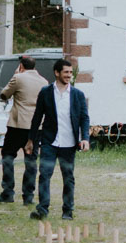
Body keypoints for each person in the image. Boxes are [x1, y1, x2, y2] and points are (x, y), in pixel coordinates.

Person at [26, 58, 90, 222]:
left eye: (70, 72)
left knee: (68, 177)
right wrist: (31, 140)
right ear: (57, 73)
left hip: (69, 144)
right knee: (45, 175)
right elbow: (37, 117)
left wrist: (85, 139)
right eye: (66, 72)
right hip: (49, 142)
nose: (69, 75)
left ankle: (68, 210)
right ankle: (42, 210)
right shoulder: (46, 92)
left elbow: (84, 118)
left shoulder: (77, 95)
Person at [0, 52, 45, 206]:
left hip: (18, 124)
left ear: (21, 66)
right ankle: (28, 195)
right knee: (30, 160)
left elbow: (4, 95)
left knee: (8, 155)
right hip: (36, 126)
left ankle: (8, 191)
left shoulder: (18, 77)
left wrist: (15, 76)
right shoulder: (44, 81)